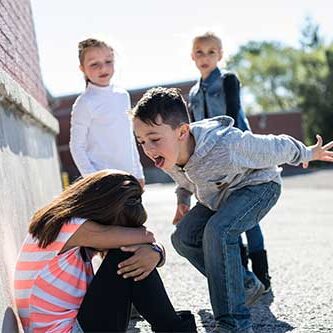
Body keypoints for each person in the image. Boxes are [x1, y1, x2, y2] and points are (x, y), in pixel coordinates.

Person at [130, 87, 333, 333]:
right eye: (141, 141)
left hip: (259, 187)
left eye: (154, 139)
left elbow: (274, 146)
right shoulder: (166, 153)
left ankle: (234, 323)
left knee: (218, 231)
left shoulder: (225, 144)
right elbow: (184, 181)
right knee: (182, 237)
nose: (148, 149)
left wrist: (308, 152)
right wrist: (182, 200)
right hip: (218, 197)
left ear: (182, 131)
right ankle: (245, 285)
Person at [14, 169, 197, 333]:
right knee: (126, 254)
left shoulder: (63, 225)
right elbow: (146, 236)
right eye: (119, 228)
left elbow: (146, 241)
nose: (118, 236)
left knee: (131, 254)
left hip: (72, 326)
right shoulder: (71, 227)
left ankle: (173, 328)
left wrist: (156, 253)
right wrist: (154, 251)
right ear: (103, 212)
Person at [189, 31, 271, 292]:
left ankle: (262, 275)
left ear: (220, 55)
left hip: (239, 156)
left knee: (249, 218)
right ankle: (244, 276)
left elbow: (234, 117)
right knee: (226, 217)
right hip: (212, 165)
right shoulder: (192, 93)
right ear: (192, 56)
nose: (205, 57)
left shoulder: (228, 81)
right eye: (200, 52)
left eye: (211, 52)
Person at [69, 38, 144, 187]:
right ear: (82, 68)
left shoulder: (123, 96)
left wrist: (139, 173)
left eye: (108, 62)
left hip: (129, 178)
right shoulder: (84, 103)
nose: (103, 68)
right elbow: (76, 146)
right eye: (94, 64)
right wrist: (94, 179)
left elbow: (129, 137)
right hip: (104, 183)